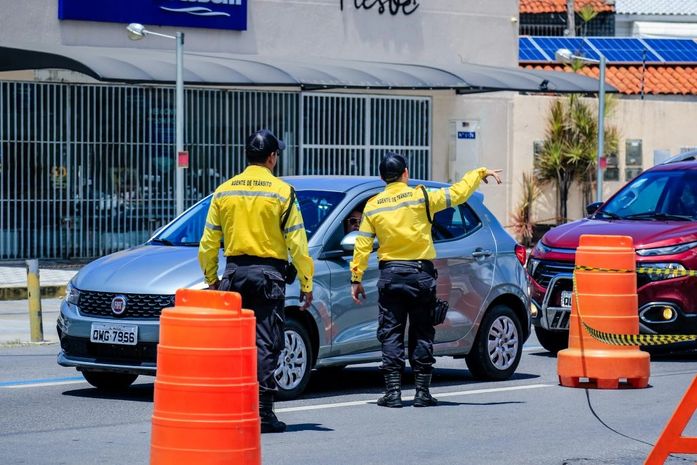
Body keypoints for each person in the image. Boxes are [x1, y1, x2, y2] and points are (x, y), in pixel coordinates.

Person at [350, 152, 502, 408]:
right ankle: (422, 392)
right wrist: (479, 173)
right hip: (420, 275)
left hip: (391, 276)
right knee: (422, 331)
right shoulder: (421, 197)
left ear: (381, 178)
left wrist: (356, 277)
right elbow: (457, 194)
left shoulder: (373, 205)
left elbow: (362, 244)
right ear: (405, 173)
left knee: (391, 333)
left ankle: (394, 393)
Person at [198, 129, 314, 433]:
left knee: (233, 345)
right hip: (268, 277)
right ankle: (262, 413)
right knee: (265, 343)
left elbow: (209, 241)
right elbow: (298, 243)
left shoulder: (224, 191)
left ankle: (229, 408)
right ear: (272, 157)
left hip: (233, 275)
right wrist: (306, 281)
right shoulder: (282, 192)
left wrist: (212, 280)